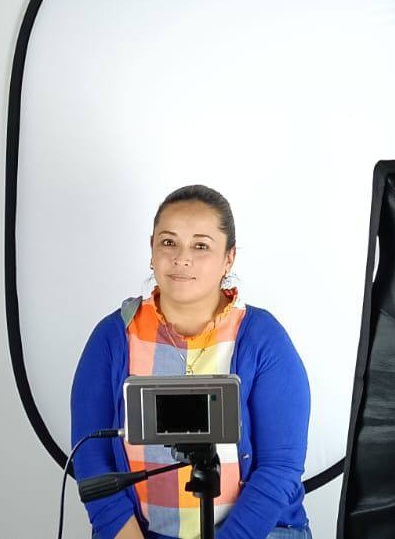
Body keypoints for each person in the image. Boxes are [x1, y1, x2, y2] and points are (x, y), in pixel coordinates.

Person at [71, 185, 312, 539]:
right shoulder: (112, 337)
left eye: (201, 246)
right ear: (152, 250)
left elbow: (280, 468)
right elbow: (90, 457)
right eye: (169, 242)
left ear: (228, 258)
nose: (182, 258)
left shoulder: (263, 340)